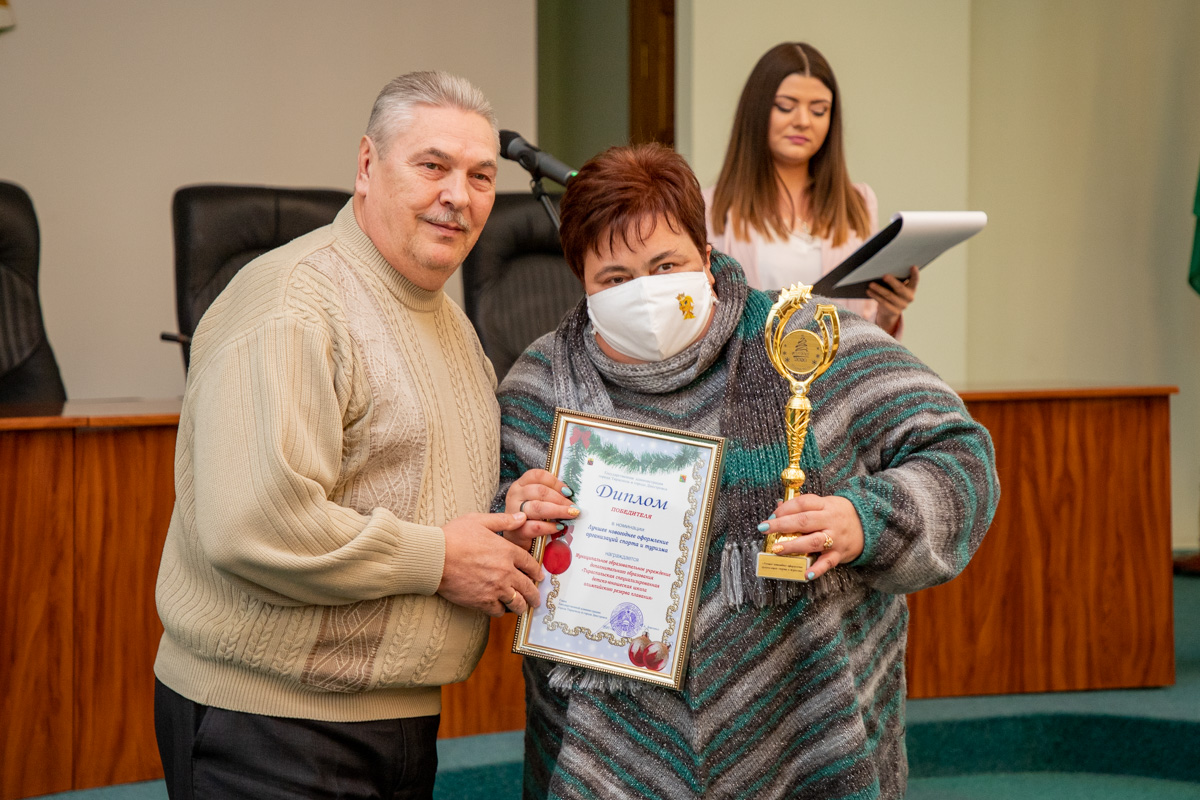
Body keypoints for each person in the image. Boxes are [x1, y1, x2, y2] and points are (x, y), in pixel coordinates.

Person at [497, 143, 999, 799]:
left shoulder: (807, 338)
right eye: (615, 278)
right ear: (581, 281)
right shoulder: (538, 387)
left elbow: (960, 455)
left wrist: (864, 521)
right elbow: (489, 531)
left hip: (809, 726)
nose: (645, 291)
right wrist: (514, 514)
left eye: (666, 265)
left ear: (705, 258)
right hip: (607, 750)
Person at [152, 71, 573, 800]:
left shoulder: (449, 323)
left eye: (480, 176)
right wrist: (443, 558)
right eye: (433, 165)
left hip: (397, 721)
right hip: (272, 729)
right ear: (367, 165)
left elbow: (420, 497)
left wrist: (509, 516)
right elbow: (257, 525)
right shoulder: (292, 303)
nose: (459, 195)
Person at [705, 41, 918, 337]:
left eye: (819, 111)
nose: (803, 121)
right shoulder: (711, 208)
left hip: (841, 365)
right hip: (754, 365)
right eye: (786, 107)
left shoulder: (857, 203)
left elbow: (867, 332)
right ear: (757, 110)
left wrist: (888, 312)